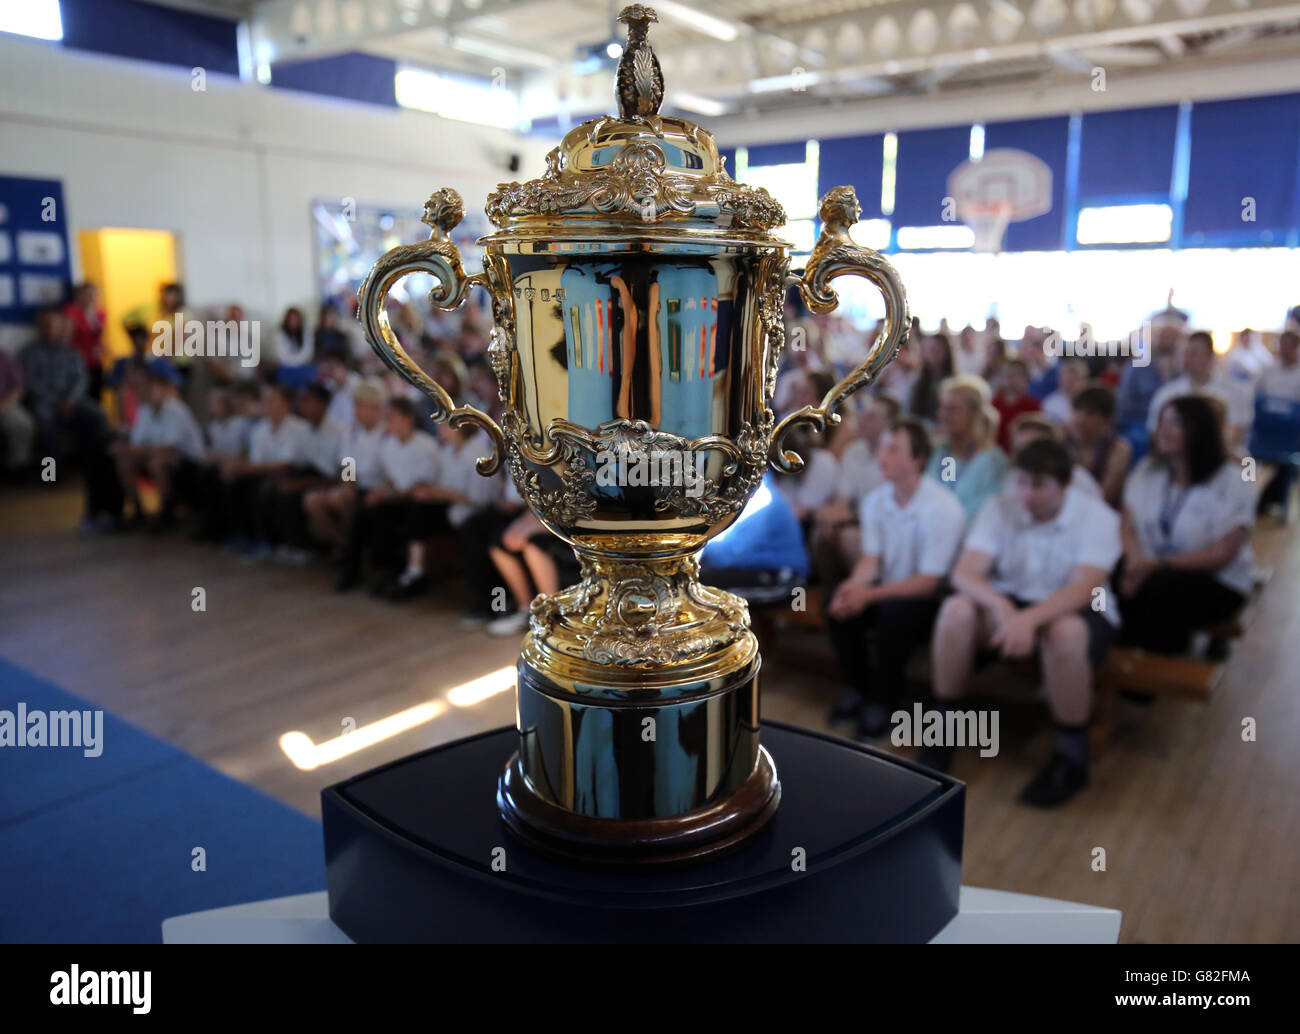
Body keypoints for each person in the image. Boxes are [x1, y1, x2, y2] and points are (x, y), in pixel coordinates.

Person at [927, 439, 1122, 807]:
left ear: (1064, 485)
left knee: (1064, 634)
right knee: (956, 610)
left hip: (1077, 606)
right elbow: (965, 573)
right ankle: (943, 729)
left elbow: (1085, 587)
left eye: (1038, 486)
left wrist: (1027, 620)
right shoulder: (1000, 508)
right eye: (1021, 483)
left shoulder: (1098, 517)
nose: (1026, 494)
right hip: (1013, 598)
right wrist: (1003, 609)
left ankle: (1070, 755)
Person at [825, 420, 965, 738]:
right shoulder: (877, 499)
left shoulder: (941, 507)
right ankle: (857, 688)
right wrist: (853, 587)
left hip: (935, 598)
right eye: (883, 446)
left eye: (893, 448)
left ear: (918, 460)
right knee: (838, 603)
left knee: (894, 614)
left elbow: (929, 581)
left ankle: (884, 702)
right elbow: (871, 561)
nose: (883, 455)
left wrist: (869, 595)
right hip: (892, 588)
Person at [1117, 395, 1253, 657]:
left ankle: (1151, 669)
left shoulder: (1233, 481)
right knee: (1110, 578)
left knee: (1161, 588)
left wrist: (1156, 565)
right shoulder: (1148, 470)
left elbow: (1222, 554)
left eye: (1173, 424)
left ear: (1198, 431)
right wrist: (1135, 560)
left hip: (1217, 580)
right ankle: (1117, 659)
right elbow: (1128, 525)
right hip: (1150, 567)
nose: (1162, 432)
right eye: (1161, 423)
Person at [347, 397, 446, 598]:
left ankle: (415, 573)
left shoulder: (425, 445)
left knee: (412, 512)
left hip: (425, 502)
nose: (388, 423)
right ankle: (380, 570)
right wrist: (381, 492)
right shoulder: (388, 445)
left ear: (408, 419)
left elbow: (423, 485)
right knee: (367, 511)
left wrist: (388, 495)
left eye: (392, 418)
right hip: (400, 499)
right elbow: (390, 478)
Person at [809, 395, 896, 586]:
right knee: (822, 533)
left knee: (849, 537)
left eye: (872, 416)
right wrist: (832, 519)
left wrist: (846, 516)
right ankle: (833, 594)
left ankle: (867, 597)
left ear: (889, 424)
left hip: (887, 526)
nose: (862, 419)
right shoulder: (854, 451)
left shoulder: (894, 456)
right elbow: (842, 500)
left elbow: (888, 510)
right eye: (863, 413)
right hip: (857, 520)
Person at [109, 367, 206, 530]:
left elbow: (169, 448)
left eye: (150, 388)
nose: (145, 393)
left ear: (162, 389)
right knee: (124, 461)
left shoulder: (175, 409)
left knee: (157, 462)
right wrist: (128, 450)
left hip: (190, 462)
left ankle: (167, 511)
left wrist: (130, 449)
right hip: (163, 457)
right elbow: (138, 444)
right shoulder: (145, 410)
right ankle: (138, 510)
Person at [304, 380, 386, 571]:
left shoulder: (386, 432)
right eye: (355, 405)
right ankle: (344, 545)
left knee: (342, 501)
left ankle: (353, 554)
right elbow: (347, 462)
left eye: (360, 405)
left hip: (378, 487)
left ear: (375, 408)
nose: (356, 410)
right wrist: (348, 484)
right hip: (357, 485)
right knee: (313, 501)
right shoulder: (352, 431)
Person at [217, 383, 309, 552]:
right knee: (234, 481)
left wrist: (242, 468)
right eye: (266, 401)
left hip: (298, 474)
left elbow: (287, 464)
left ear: (287, 404)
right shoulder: (261, 429)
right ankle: (246, 536)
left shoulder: (299, 428)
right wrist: (239, 467)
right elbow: (256, 461)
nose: (268, 405)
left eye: (273, 400)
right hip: (267, 473)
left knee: (269, 488)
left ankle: (284, 543)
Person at [1146, 331, 1252, 451]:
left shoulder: (1234, 392)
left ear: (1210, 357)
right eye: (1185, 353)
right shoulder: (1167, 393)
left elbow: (1236, 433)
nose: (1187, 358)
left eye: (1194, 353)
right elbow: (1155, 431)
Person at [925, 375, 1008, 523]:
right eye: (942, 408)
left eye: (953, 409)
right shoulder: (940, 453)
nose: (943, 415)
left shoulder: (993, 460)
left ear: (974, 413)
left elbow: (984, 513)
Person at [1005, 413, 1103, 499]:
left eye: (1034, 448)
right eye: (1019, 449)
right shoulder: (1011, 479)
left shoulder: (1080, 481)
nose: (1026, 457)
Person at [1066, 384, 1131, 509]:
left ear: (1106, 419)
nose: (1080, 419)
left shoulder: (1119, 449)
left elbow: (1103, 498)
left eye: (1089, 413)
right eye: (1077, 411)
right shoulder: (1064, 443)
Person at [64, 283, 105, 401]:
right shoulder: (72, 312)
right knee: (81, 394)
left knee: (96, 394)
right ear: (79, 296)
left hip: (95, 361)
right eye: (87, 294)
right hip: (78, 361)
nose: (91, 298)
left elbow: (99, 337)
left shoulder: (100, 314)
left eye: (93, 295)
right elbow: (67, 338)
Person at [991, 359, 1042, 452]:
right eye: (1007, 374)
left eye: (1016, 374)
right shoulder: (993, 404)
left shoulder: (1033, 406)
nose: (1011, 379)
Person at [0, 348, 35, 478]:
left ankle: (17, 467)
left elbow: (18, 388)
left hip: (6, 405)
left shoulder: (6, 358)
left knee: (23, 424)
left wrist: (4, 406)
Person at [907, 333, 955, 422]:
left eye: (936, 350)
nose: (931, 355)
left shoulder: (952, 382)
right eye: (928, 350)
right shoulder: (918, 379)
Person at [1041, 358, 1087, 426]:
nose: (1070, 383)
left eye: (1074, 379)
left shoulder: (1088, 401)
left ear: (1083, 381)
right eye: (1067, 379)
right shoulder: (1050, 402)